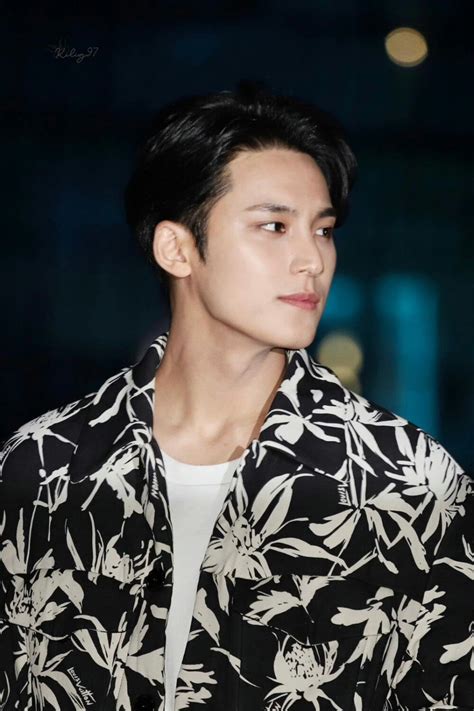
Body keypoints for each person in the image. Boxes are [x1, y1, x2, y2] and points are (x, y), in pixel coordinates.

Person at [0, 83, 472, 711]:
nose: (312, 260)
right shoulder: (43, 467)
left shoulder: (409, 483)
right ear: (177, 248)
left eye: (324, 230)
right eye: (274, 226)